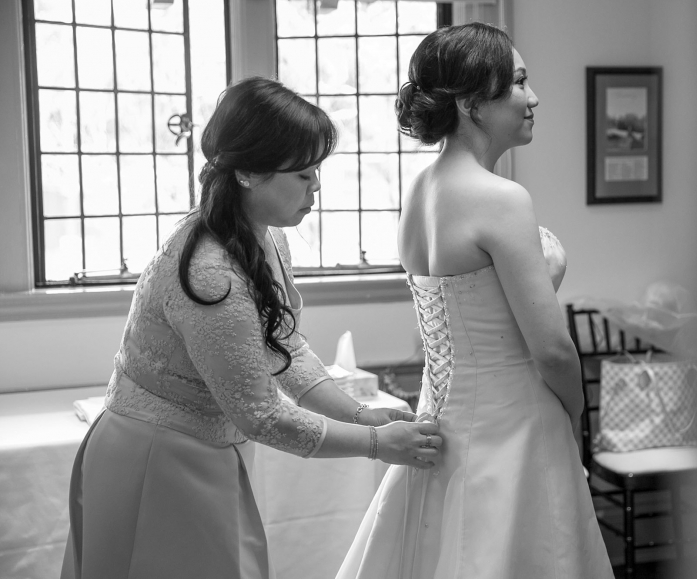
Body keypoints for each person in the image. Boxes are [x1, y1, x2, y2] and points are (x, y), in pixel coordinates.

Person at [60, 77, 441, 579]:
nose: (317, 187)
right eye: (303, 174)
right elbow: (261, 415)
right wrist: (377, 445)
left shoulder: (264, 238)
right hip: (154, 456)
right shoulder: (209, 272)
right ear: (247, 173)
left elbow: (283, 345)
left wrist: (359, 415)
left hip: (207, 448)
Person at [336, 23, 614, 579]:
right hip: (516, 428)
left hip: (442, 423)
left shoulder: (418, 192)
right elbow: (553, 350)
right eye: (517, 83)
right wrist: (576, 421)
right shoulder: (500, 199)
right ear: (471, 104)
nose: (533, 98)